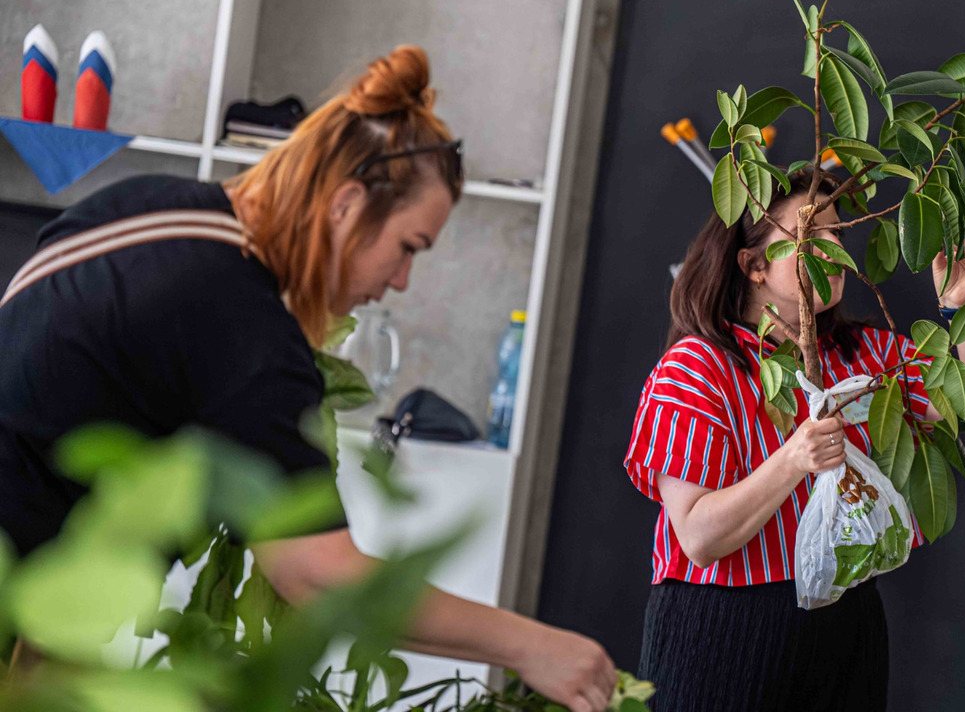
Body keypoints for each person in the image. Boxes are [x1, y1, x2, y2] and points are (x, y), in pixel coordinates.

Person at [0, 45, 617, 712]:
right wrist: (533, 646)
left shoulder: (147, 205)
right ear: (347, 204)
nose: (401, 281)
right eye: (407, 248)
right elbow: (320, 573)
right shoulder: (241, 325)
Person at [623, 170, 965, 711]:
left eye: (838, 233)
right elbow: (697, 536)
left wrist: (959, 306)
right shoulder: (698, 368)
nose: (836, 249)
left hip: (846, 623)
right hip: (724, 629)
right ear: (754, 265)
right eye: (813, 233)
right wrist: (793, 460)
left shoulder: (865, 355)